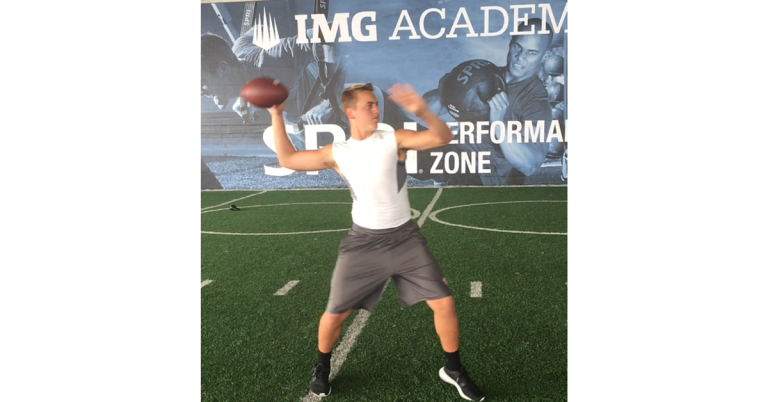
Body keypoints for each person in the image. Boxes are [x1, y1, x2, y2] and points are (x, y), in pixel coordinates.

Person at [268, 83, 486, 401]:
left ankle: (453, 368)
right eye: (368, 105)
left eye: (376, 104)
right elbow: (287, 159)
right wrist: (276, 113)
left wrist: (421, 109)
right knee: (335, 313)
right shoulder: (337, 153)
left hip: (405, 238)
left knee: (444, 302)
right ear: (350, 112)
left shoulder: (393, 140)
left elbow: (442, 137)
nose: (376, 109)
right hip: (363, 242)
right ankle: (322, 367)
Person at [415, 18, 555, 185]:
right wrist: (446, 90)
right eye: (518, 46)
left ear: (545, 55)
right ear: (511, 42)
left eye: (531, 52)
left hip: (483, 174)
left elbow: (531, 165)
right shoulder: (487, 75)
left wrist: (498, 125)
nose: (520, 57)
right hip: (454, 154)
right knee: (399, 135)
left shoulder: (535, 101)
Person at [201, 27, 345, 149]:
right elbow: (260, 28)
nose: (200, 91)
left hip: (342, 122)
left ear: (223, 69)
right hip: (307, 129)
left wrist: (329, 102)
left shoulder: (271, 64)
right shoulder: (239, 48)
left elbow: (331, 30)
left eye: (201, 81)